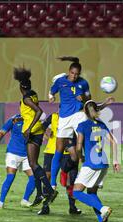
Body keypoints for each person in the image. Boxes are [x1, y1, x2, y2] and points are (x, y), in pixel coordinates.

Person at [13, 66, 58, 215]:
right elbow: (32, 111)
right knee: (33, 165)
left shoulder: (26, 98)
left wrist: (28, 128)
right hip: (37, 129)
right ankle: (39, 193)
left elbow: (39, 111)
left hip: (32, 132)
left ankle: (49, 191)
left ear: (21, 87)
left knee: (33, 163)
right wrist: (24, 119)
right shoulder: (33, 94)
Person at [72, 99, 119, 222]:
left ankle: (103, 209)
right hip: (103, 163)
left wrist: (80, 157)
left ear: (84, 112)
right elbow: (114, 143)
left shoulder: (82, 125)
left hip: (91, 164)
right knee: (91, 193)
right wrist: (115, 160)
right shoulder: (102, 124)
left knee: (76, 192)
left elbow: (79, 145)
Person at [48, 57, 91, 191]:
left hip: (79, 114)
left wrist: (84, 98)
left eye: (77, 74)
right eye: (72, 73)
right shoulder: (60, 81)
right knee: (59, 149)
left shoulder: (83, 83)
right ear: (69, 71)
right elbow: (51, 91)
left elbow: (89, 97)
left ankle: (91, 174)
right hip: (64, 117)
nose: (74, 76)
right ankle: (53, 182)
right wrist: (51, 96)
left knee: (87, 141)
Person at [42, 112, 82, 214]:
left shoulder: (74, 118)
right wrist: (47, 133)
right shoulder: (53, 116)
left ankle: (72, 207)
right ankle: (45, 206)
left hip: (68, 152)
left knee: (71, 179)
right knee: (47, 178)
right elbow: (42, 126)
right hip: (51, 151)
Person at [0, 114, 35, 209]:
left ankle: (25, 200)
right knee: (11, 177)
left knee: (34, 178)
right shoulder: (14, 119)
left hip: (27, 155)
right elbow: (2, 132)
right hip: (13, 153)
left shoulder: (33, 119)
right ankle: (1, 202)